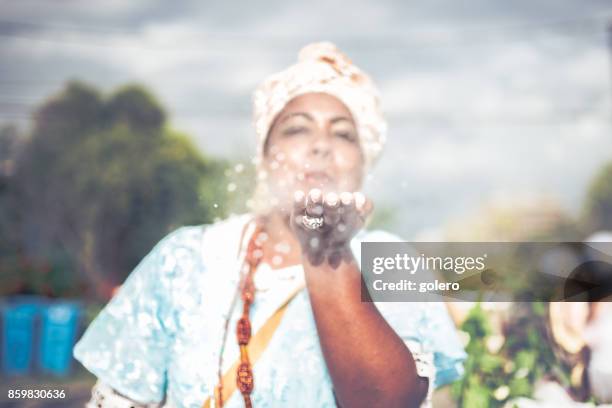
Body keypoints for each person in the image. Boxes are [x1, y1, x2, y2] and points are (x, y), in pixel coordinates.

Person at [73, 41, 466, 408]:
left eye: (344, 134)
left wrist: (326, 251)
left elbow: (387, 401)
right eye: (297, 128)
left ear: (363, 165)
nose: (320, 145)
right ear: (264, 156)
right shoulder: (186, 258)